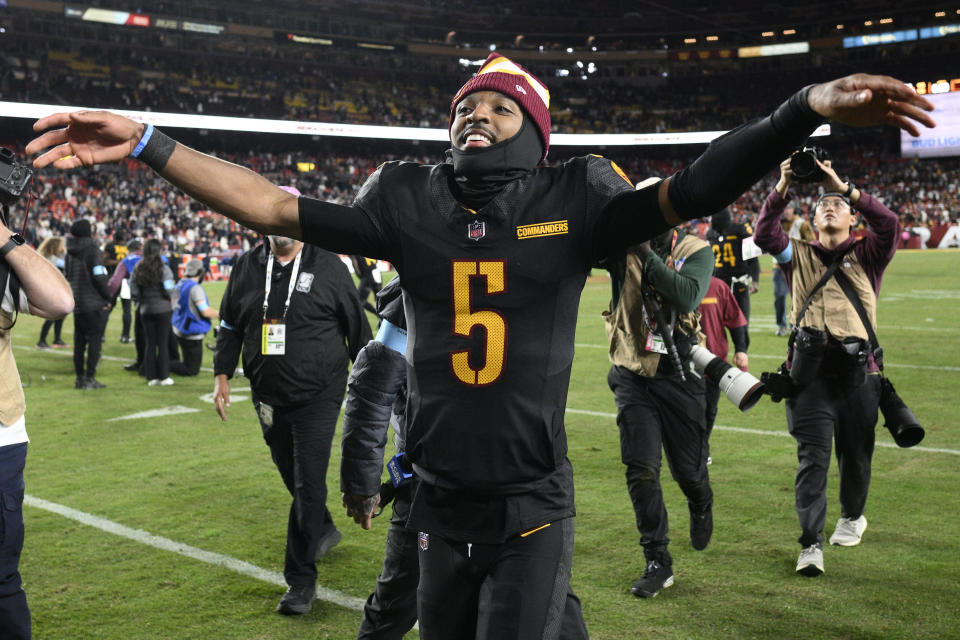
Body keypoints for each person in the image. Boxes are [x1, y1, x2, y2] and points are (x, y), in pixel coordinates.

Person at [27, 57, 935, 637]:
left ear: (535, 132)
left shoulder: (572, 198)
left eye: (499, 109)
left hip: (531, 495)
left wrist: (802, 108)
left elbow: (695, 186)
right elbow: (267, 204)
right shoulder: (409, 201)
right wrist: (147, 141)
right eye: (465, 107)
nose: (476, 118)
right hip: (437, 500)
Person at [342, 276, 589, 640]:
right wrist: (363, 483)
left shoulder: (519, 263)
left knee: (548, 600)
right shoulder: (428, 270)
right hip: (437, 487)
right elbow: (376, 377)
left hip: (515, 489)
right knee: (395, 608)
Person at [212, 216, 371, 616]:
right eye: (271, 219)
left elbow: (358, 328)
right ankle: (322, 527)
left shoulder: (329, 267)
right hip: (267, 393)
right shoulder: (247, 266)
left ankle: (300, 580)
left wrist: (373, 387)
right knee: (289, 471)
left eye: (286, 219)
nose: (278, 227)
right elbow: (230, 324)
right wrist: (221, 375)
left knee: (308, 481)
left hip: (320, 393)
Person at [754, 156, 898, 577]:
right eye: (821, 204)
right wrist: (782, 184)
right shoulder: (796, 255)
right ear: (813, 220)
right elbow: (765, 233)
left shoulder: (869, 253)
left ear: (853, 217)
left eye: (837, 204)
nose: (829, 206)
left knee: (855, 457)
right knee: (812, 460)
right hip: (808, 378)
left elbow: (887, 223)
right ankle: (810, 544)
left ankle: (853, 515)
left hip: (859, 374)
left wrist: (844, 185)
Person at [603, 224, 714, 598]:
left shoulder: (695, 249)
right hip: (633, 371)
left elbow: (686, 296)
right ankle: (657, 560)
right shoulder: (621, 248)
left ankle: (701, 502)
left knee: (689, 472)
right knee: (642, 469)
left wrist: (645, 253)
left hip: (679, 375)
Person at [1, 209, 74, 640]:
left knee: (1, 576)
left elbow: (60, 301)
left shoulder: (2, 268)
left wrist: (5, 240)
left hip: (1, 435)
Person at [698, 275, 748, 441]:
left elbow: (735, 318)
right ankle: (695, 451)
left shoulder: (718, 286)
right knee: (685, 411)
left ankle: (702, 449)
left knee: (709, 410)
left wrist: (740, 349)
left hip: (713, 363)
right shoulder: (673, 284)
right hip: (681, 364)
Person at [64, 218, 111, 389]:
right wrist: (108, 296)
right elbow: (98, 276)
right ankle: (90, 378)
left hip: (77, 303)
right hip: (93, 302)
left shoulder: (69, 251)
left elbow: (68, 275)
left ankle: (79, 379)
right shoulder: (93, 250)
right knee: (95, 342)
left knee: (79, 342)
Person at [707, 208, 760, 349]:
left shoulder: (740, 230)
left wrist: (755, 280)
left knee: (741, 327)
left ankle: (742, 359)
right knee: (713, 328)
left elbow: (753, 258)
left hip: (737, 285)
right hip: (717, 287)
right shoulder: (711, 233)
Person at [130, 238, 176, 386]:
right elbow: (170, 289)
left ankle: (151, 377)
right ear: (159, 250)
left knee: (150, 343)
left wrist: (139, 299)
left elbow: (133, 289)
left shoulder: (138, 267)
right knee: (162, 343)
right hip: (163, 310)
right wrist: (172, 298)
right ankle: (164, 376)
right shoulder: (164, 268)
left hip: (145, 310)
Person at [772, 204, 817, 335]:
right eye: (783, 208)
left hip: (797, 266)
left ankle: (795, 325)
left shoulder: (801, 224)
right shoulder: (776, 223)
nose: (785, 211)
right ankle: (781, 325)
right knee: (779, 296)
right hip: (779, 265)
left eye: (787, 208)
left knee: (798, 298)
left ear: (793, 209)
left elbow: (812, 242)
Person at [169, 258, 217, 376]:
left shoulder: (179, 283)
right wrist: (222, 314)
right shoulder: (195, 288)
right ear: (200, 272)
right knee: (191, 370)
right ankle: (161, 363)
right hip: (191, 332)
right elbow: (205, 311)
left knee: (188, 362)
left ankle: (164, 362)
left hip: (178, 327)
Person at [35, 236, 69, 350]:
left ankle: (57, 339)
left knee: (60, 315)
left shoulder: (48, 257)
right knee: (53, 316)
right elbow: (67, 266)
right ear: (55, 246)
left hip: (53, 289)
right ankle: (41, 341)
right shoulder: (53, 259)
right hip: (52, 290)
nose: (63, 247)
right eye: (61, 245)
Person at [109, 238, 141, 345]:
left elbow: (116, 280)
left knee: (112, 308)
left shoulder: (128, 259)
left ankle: (101, 335)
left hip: (127, 283)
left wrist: (108, 294)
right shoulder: (150, 257)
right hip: (146, 290)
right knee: (128, 310)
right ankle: (125, 336)